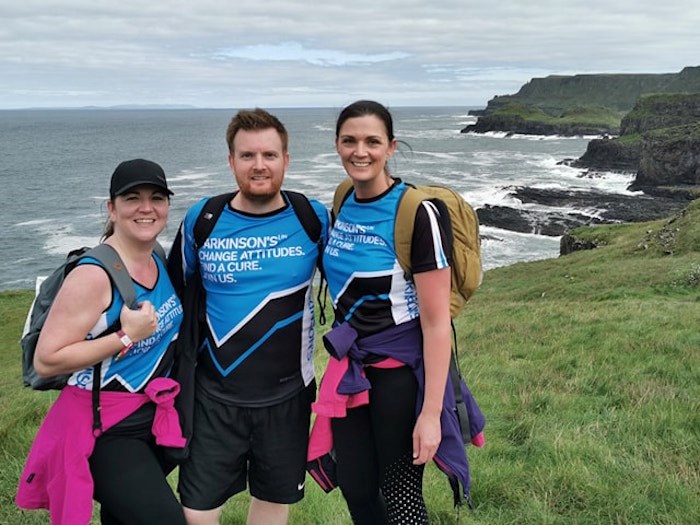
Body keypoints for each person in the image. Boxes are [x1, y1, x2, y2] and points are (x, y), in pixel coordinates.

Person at [311, 100, 471, 524]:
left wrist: (431, 414)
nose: (359, 151)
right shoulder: (343, 198)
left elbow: (438, 325)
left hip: (398, 376)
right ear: (337, 145)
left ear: (391, 147)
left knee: (399, 495)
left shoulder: (417, 213)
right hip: (350, 371)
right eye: (350, 141)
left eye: (371, 141)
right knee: (358, 490)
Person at [167, 108, 329, 525]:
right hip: (212, 398)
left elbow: (349, 282)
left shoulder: (312, 219)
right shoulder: (202, 219)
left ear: (287, 160)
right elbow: (166, 293)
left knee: (272, 507)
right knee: (196, 513)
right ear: (231, 161)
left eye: (270, 155)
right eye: (247, 155)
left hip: (289, 396)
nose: (259, 165)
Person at [16, 159, 186, 525]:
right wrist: (125, 336)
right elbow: (47, 359)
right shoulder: (93, 276)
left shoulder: (156, 256)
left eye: (157, 197)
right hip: (103, 427)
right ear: (111, 208)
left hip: (149, 416)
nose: (146, 207)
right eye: (132, 198)